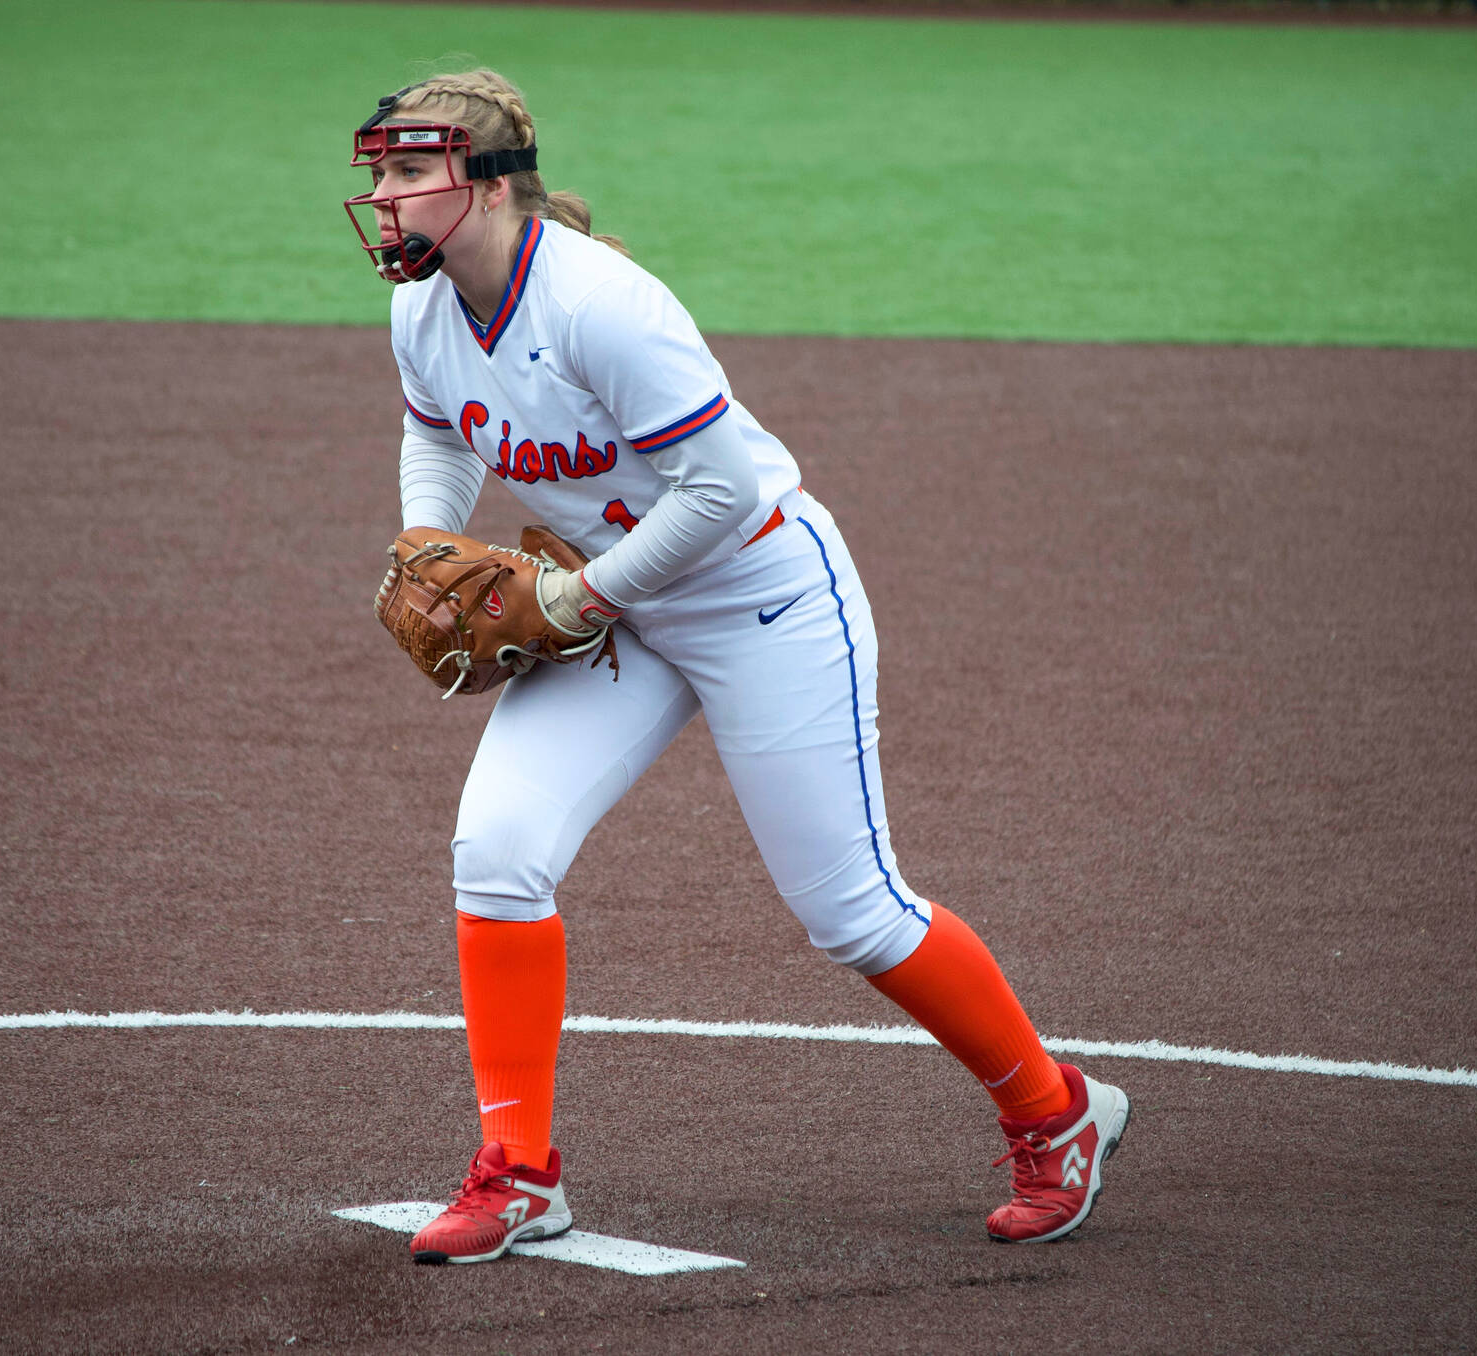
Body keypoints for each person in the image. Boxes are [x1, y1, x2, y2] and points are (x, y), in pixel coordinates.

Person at [343, 69, 1129, 1266]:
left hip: (760, 594)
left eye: (411, 173)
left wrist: (580, 593)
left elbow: (722, 491)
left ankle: (1053, 1112)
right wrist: (426, 543)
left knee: (849, 910)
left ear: (492, 186)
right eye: (380, 177)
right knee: (497, 853)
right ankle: (516, 1172)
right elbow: (437, 431)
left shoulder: (602, 304)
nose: (388, 200)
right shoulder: (423, 309)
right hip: (615, 605)